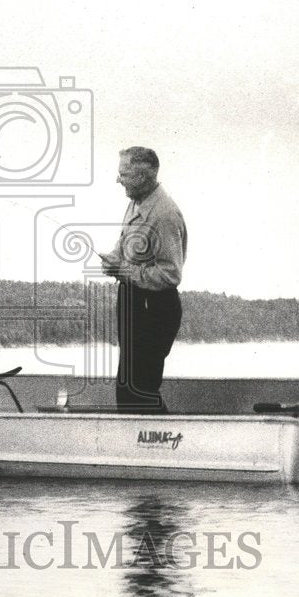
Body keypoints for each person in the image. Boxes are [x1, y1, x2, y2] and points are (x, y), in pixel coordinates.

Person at [99, 148, 187, 413]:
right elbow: (125, 240)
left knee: (141, 389)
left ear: (143, 175)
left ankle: (162, 448)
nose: (118, 180)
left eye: (123, 174)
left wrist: (123, 270)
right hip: (134, 301)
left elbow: (171, 274)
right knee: (127, 388)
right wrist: (114, 259)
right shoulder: (136, 201)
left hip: (154, 307)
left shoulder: (164, 214)